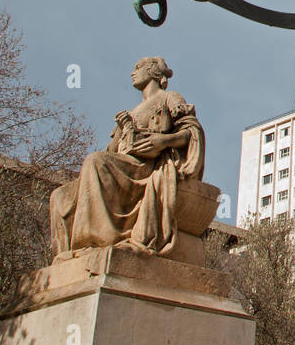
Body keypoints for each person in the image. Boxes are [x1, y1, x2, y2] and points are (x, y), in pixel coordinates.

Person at [50, 56, 204, 258]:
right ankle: (68, 254)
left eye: (138, 67)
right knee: (59, 196)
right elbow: (112, 152)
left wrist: (164, 141)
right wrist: (123, 129)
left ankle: (98, 240)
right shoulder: (131, 112)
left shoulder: (170, 97)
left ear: (153, 71)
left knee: (95, 161)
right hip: (123, 166)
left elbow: (191, 130)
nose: (133, 72)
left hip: (145, 165)